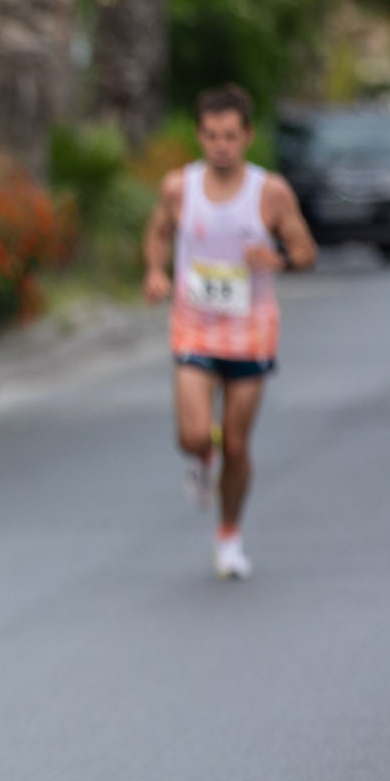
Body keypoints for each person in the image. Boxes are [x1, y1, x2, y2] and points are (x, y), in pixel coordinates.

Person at [143, 83, 316, 580]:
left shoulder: (271, 192)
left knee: (238, 445)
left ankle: (229, 536)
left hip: (250, 331)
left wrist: (278, 258)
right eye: (212, 135)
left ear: (248, 137)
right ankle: (202, 456)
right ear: (200, 135)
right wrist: (155, 271)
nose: (221, 145)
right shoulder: (180, 188)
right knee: (194, 433)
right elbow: (158, 230)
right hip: (194, 326)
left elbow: (307, 252)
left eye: (231, 136)